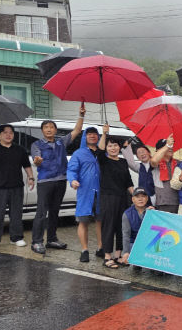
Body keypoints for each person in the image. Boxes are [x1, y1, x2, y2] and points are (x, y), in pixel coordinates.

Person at [30, 104, 85, 254]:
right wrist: (37, 161)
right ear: (42, 131)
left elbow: (77, 131)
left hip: (61, 181)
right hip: (45, 182)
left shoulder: (61, 142)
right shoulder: (37, 144)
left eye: (51, 127)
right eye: (46, 127)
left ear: (55, 130)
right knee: (41, 212)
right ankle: (36, 242)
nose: (49, 129)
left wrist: (81, 115)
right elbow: (36, 159)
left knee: (55, 211)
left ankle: (52, 239)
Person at [0, 124, 34, 250]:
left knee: (16, 215)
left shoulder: (19, 149)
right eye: (5, 132)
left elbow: (26, 165)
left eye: (11, 133)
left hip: (16, 187)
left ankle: (17, 238)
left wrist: (30, 177)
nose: (9, 135)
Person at [97, 124, 134, 268]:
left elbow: (128, 182)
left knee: (121, 226)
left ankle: (118, 255)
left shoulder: (123, 162)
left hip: (123, 198)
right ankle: (107, 256)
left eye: (115, 145)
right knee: (109, 226)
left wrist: (136, 195)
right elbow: (99, 151)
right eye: (110, 146)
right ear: (106, 148)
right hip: (108, 198)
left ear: (119, 147)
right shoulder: (104, 161)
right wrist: (104, 134)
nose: (113, 148)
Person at [66, 127, 102, 263]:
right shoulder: (78, 153)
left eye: (95, 134)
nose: (92, 136)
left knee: (101, 221)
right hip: (85, 192)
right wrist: (73, 180)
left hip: (101, 192)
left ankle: (101, 248)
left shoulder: (102, 152)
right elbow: (71, 169)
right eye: (89, 134)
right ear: (85, 137)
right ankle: (84, 250)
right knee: (83, 221)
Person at [120, 187, 153, 264]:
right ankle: (136, 264)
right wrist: (126, 252)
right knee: (132, 251)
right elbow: (126, 235)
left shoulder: (152, 211)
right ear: (133, 199)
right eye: (137, 197)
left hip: (148, 243)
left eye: (143, 196)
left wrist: (153, 215)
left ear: (147, 198)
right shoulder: (127, 214)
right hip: (134, 242)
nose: (140, 199)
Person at [149, 135, 181, 214]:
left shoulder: (179, 163)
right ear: (159, 151)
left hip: (180, 202)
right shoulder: (156, 163)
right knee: (163, 227)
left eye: (171, 146)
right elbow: (153, 160)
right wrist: (167, 145)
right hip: (163, 203)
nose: (170, 147)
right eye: (166, 146)